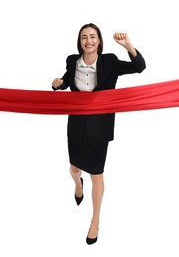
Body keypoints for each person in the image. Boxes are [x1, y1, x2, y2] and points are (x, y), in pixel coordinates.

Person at [51, 23, 146, 245]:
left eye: (92, 37)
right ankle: (77, 184)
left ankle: (95, 220)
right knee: (74, 168)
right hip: (76, 124)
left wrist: (128, 46)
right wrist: (58, 84)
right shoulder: (72, 60)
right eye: (84, 37)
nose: (88, 41)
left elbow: (139, 66)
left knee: (97, 174)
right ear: (80, 42)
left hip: (99, 128)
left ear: (99, 41)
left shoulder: (110, 62)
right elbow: (66, 80)